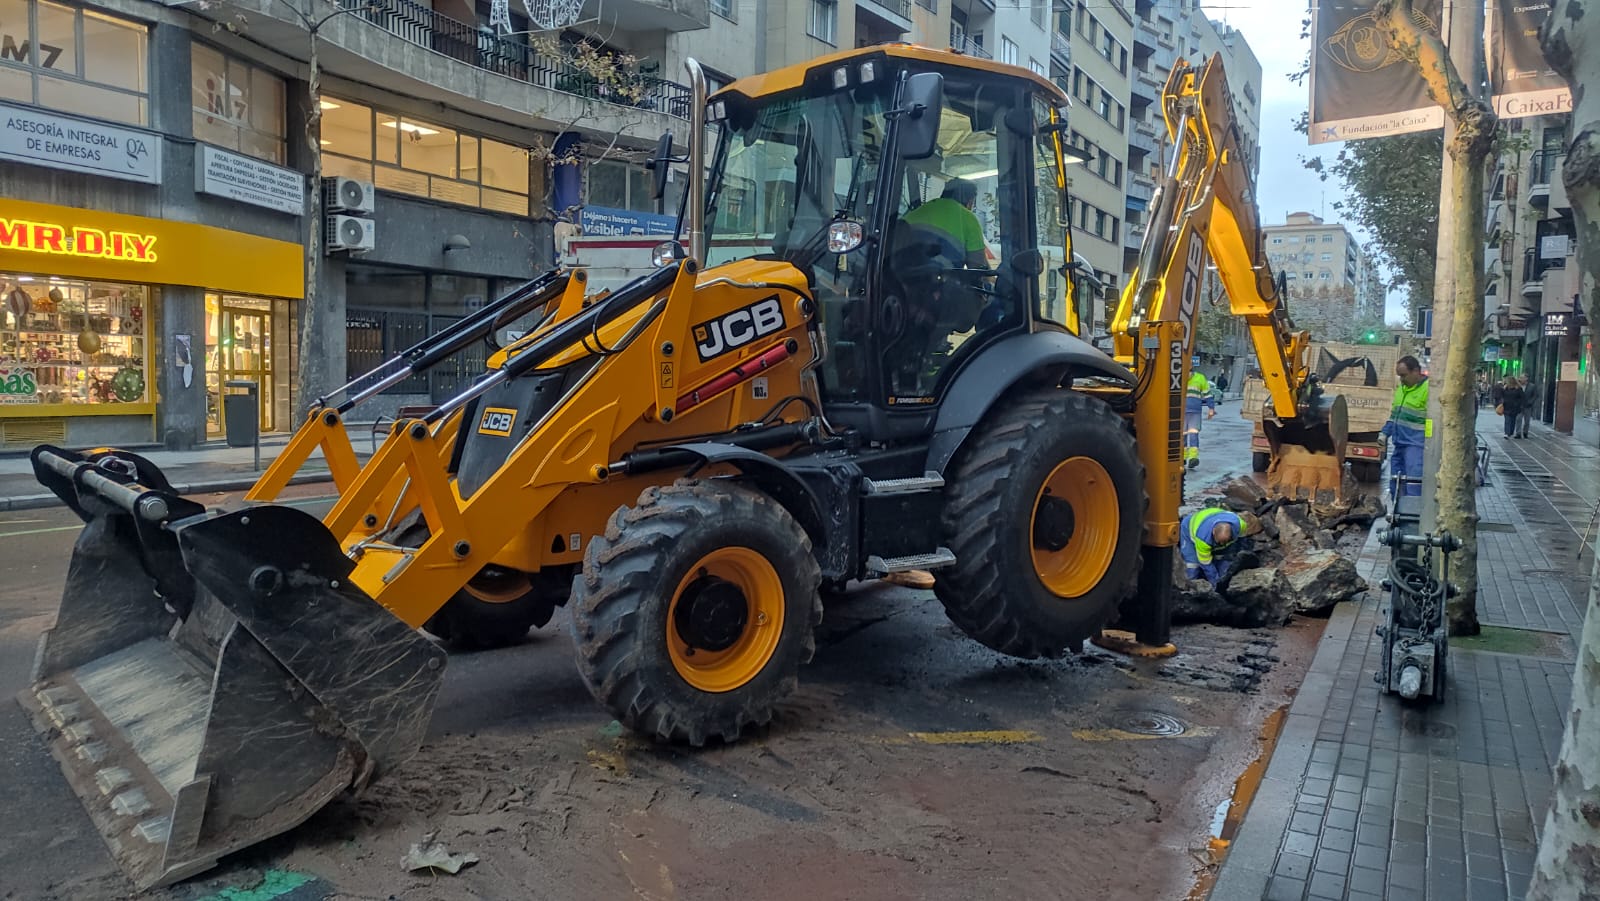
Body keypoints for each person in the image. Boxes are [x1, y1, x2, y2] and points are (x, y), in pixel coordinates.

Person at [901, 179, 989, 271]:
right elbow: (977, 269)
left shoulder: (917, 212)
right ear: (970, 201)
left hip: (901, 279)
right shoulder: (968, 218)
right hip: (941, 281)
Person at [1381, 355, 1429, 497]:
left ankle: (1412, 514)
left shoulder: (1428, 390)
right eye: (1399, 376)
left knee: (1413, 483)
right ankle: (1399, 511)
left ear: (1416, 371)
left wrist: (1429, 439)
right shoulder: (1402, 388)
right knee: (1396, 482)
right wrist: (1385, 433)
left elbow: (1433, 421)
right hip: (1400, 443)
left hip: (1416, 445)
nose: (1401, 379)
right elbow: (1395, 414)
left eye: (1403, 375)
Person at [1180, 507, 1255, 583]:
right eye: (1219, 542)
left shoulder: (1240, 525)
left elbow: (1242, 540)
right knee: (1192, 564)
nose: (1223, 544)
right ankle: (1189, 585)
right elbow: (1206, 564)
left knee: (1224, 558)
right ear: (1213, 532)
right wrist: (1215, 584)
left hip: (1212, 516)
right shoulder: (1203, 539)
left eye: (1226, 541)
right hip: (1188, 529)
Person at [1184, 369, 1217, 469]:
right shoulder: (1178, 377)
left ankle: (1193, 458)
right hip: (1181, 411)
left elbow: (1208, 394)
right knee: (1181, 436)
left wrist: (1211, 408)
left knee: (1193, 435)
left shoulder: (1200, 378)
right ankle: (1182, 458)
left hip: (1194, 411)